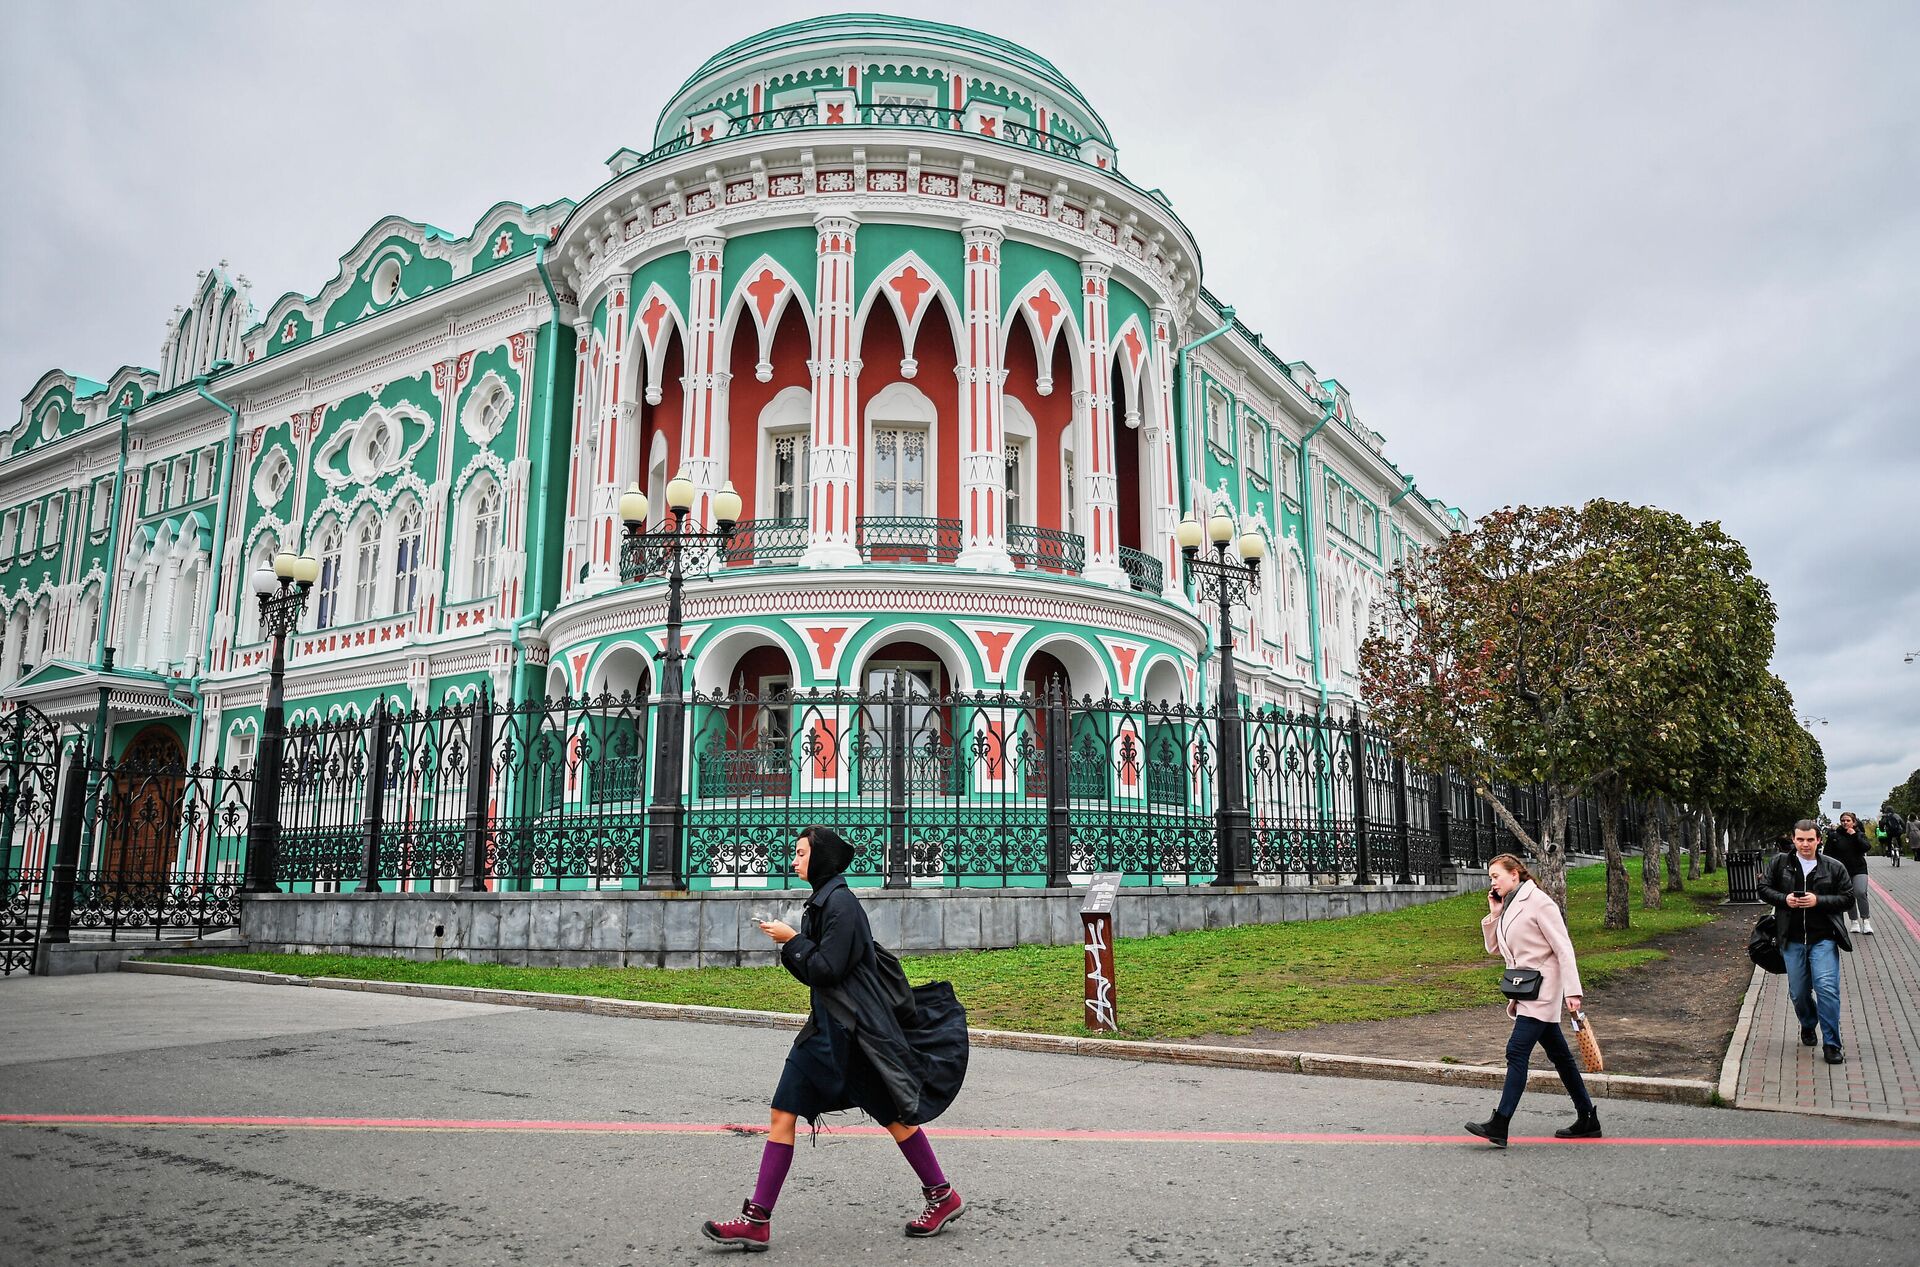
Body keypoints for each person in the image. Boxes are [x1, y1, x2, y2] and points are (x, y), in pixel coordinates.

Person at [701, 825, 971, 1251]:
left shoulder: (841, 904)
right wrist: (792, 944)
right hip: (825, 1030)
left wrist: (792, 941)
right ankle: (757, 1221)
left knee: (894, 1117)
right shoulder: (822, 903)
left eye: (801, 853)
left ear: (820, 859)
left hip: (851, 1034)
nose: (793, 860)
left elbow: (827, 969)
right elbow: (816, 974)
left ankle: (941, 1195)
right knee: (782, 1112)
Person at [1465, 854, 1599, 1148]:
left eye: (1496, 876)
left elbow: (1564, 948)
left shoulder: (1540, 902)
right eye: (1490, 878)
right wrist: (1495, 913)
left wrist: (1572, 991)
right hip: (1525, 990)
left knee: (1516, 1050)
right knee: (1561, 1058)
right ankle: (1588, 1117)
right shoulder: (1510, 905)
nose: (1492, 882)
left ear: (1515, 875)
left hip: (1544, 990)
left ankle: (1500, 1122)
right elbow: (1494, 949)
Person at [1758, 819, 1855, 1064]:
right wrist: (1784, 899)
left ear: (1818, 840)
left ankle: (1832, 1044)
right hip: (1790, 940)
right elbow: (1763, 888)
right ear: (1793, 839)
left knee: (1827, 989)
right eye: (1800, 839)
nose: (1805, 844)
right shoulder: (1780, 863)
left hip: (1823, 939)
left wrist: (1818, 900)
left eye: (1810, 839)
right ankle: (1809, 1023)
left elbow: (1848, 898)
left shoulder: (1833, 867)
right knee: (1799, 993)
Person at [1825, 812, 1873, 934]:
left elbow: (1866, 847)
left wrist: (1855, 835)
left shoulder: (1859, 834)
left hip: (1859, 869)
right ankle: (1854, 921)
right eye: (1843, 821)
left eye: (1848, 820)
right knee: (1849, 895)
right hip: (1843, 871)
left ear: (1854, 822)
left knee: (1860, 892)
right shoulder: (1834, 836)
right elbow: (1827, 854)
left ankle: (1866, 921)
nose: (1845, 823)